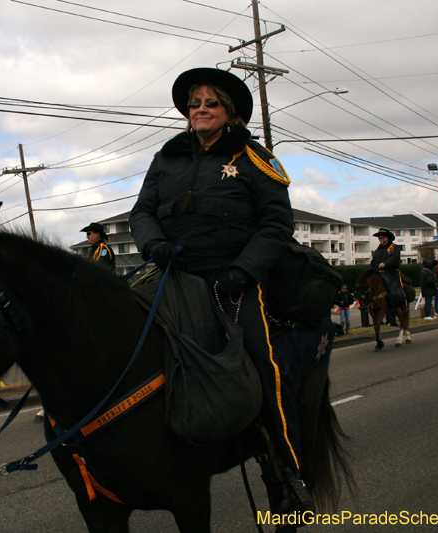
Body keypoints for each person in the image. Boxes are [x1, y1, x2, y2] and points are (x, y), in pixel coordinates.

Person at [129, 67, 311, 516]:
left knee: (261, 365)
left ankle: (288, 473)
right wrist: (153, 244)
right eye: (195, 102)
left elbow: (276, 223)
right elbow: (142, 211)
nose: (202, 108)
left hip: (232, 281)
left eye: (212, 102)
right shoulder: (166, 157)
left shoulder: (253, 156)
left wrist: (244, 270)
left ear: (229, 112)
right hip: (174, 275)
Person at [369, 228, 407, 313]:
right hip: (379, 272)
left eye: (382, 237)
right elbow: (373, 261)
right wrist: (369, 270)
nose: (380, 240)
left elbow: (394, 258)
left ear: (387, 238)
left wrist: (385, 263)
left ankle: (403, 304)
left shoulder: (394, 247)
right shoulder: (378, 250)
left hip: (390, 271)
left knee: (397, 288)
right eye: (379, 238)